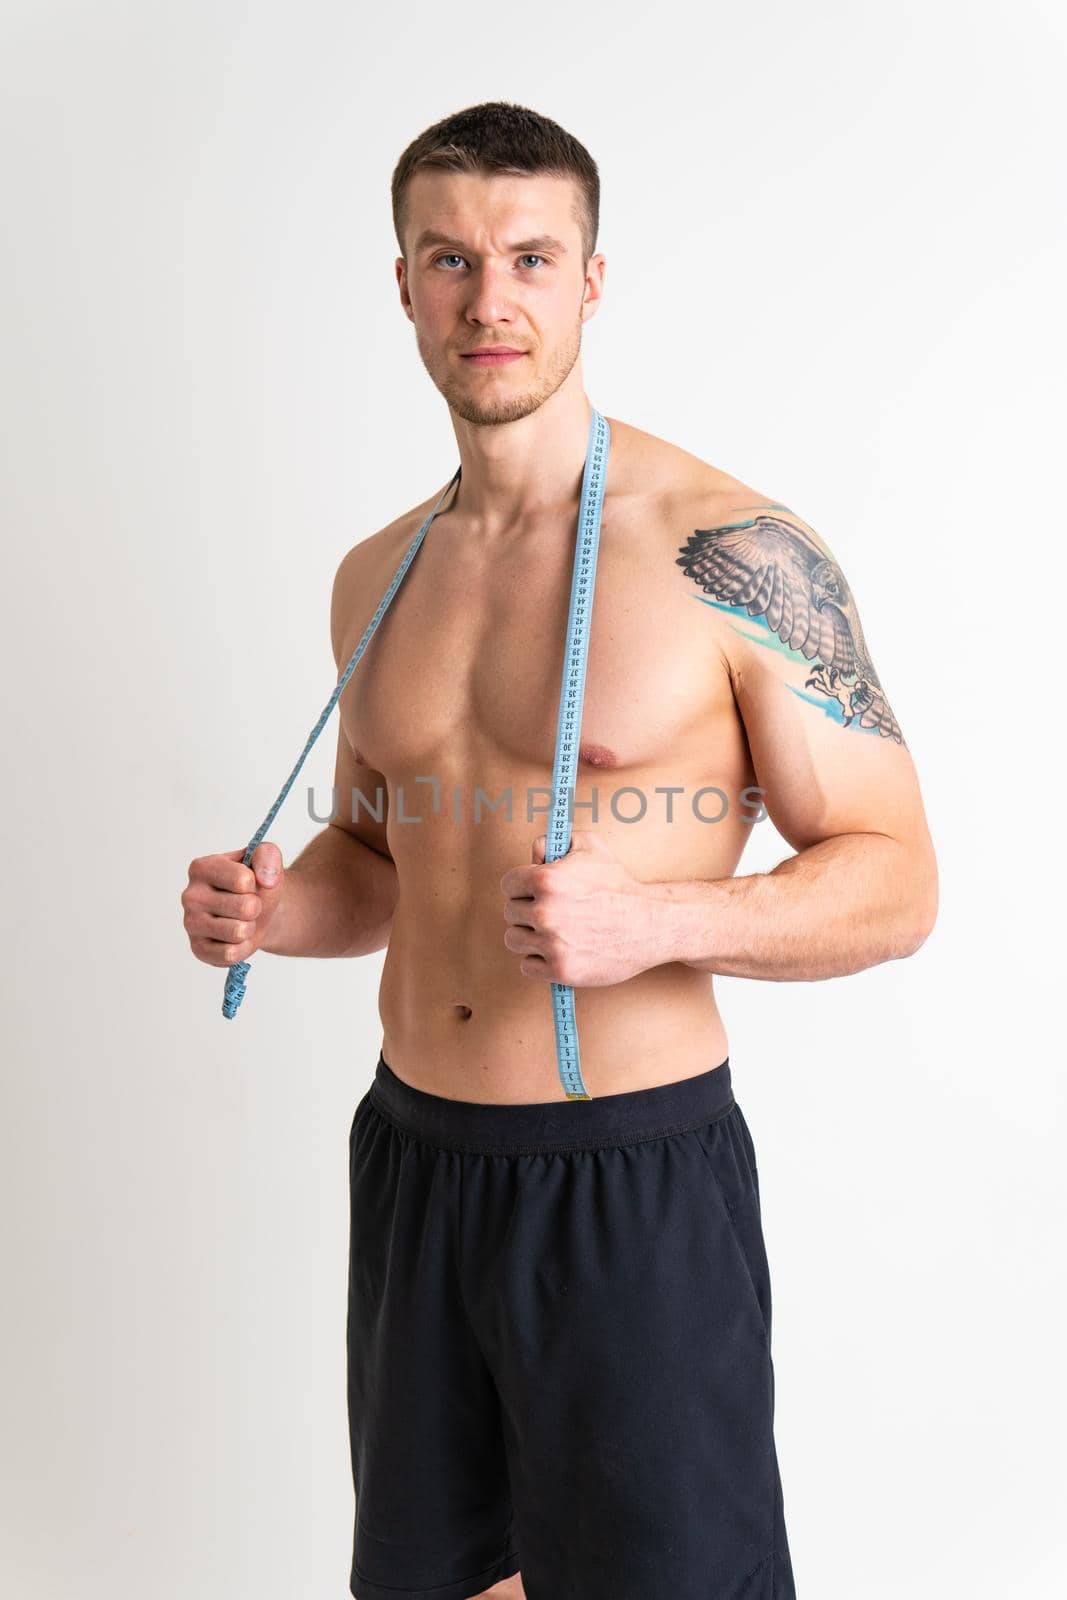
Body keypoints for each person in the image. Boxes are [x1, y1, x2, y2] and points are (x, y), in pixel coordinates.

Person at [182, 101, 938, 1600]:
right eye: (450, 259)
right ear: (403, 284)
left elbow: (899, 877)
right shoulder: (377, 573)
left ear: (592, 279)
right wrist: (271, 912)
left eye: (531, 255)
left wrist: (656, 919)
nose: (491, 297)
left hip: (626, 1178)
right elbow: (378, 863)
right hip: (415, 1158)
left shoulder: (732, 554)